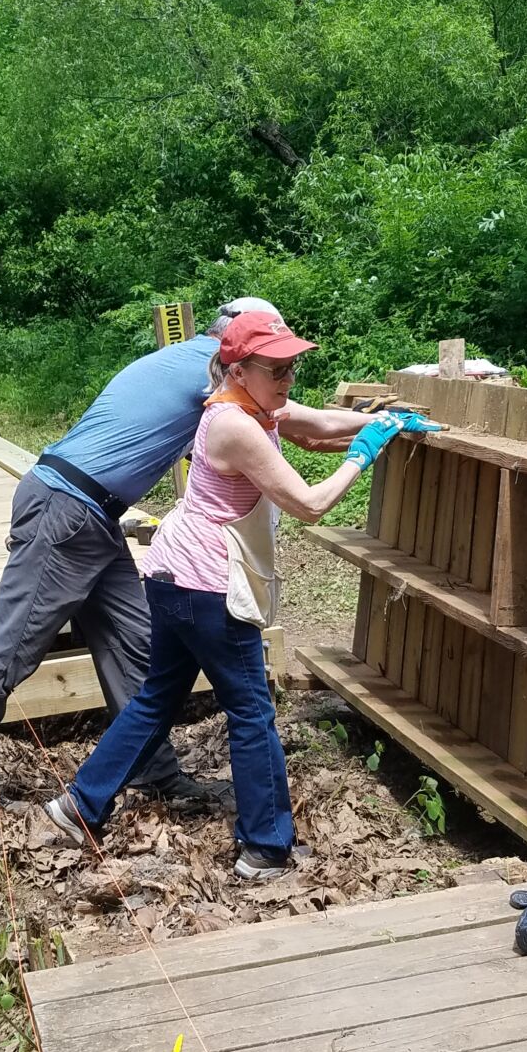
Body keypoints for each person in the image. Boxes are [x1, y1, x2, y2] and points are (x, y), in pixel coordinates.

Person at [44, 311, 435, 876]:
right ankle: (265, 848)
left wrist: (387, 420)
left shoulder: (255, 402)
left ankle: (78, 804)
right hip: (206, 586)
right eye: (276, 370)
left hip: (172, 576)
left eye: (292, 368)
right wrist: (363, 453)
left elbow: (318, 420)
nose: (287, 381)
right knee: (251, 712)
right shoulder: (234, 426)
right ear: (238, 368)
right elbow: (310, 503)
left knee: (157, 696)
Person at [0, 298, 320, 825]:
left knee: (134, 641)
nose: (276, 367)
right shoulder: (208, 369)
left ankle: (152, 771)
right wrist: (374, 430)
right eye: (267, 353)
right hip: (65, 510)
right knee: (11, 649)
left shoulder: (189, 363)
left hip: (93, 516)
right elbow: (297, 423)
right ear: (232, 347)